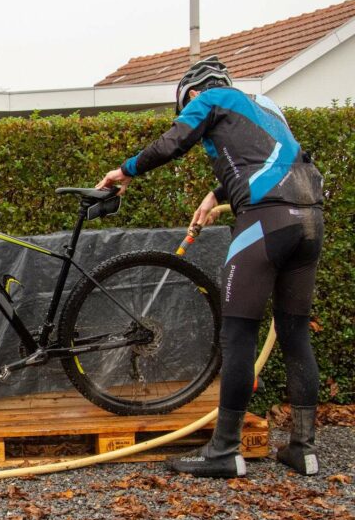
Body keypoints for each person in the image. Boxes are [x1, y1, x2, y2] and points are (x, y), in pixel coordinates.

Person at [96, 56, 324, 478]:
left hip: (265, 221)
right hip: (310, 221)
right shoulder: (266, 106)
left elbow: (173, 142)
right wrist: (217, 194)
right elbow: (271, 158)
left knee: (238, 334)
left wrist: (125, 171)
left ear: (195, 93)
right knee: (295, 334)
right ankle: (303, 450)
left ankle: (225, 451)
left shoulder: (209, 98)